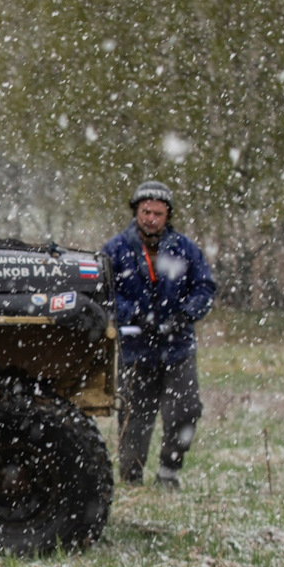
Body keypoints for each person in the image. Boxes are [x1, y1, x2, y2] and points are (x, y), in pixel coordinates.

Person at [104, 179, 216, 489]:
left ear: (168, 215)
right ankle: (131, 478)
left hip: (178, 347)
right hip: (136, 348)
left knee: (186, 409)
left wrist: (183, 315)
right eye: (145, 211)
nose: (151, 218)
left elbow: (205, 288)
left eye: (157, 213)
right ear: (136, 211)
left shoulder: (185, 248)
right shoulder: (116, 250)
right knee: (133, 418)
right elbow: (105, 293)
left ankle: (169, 472)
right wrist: (136, 315)